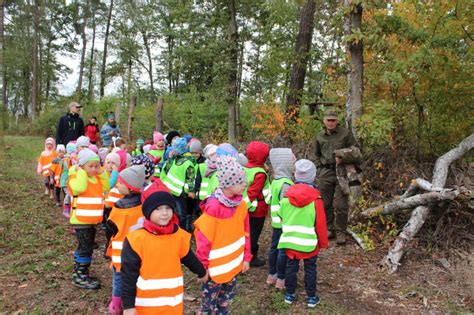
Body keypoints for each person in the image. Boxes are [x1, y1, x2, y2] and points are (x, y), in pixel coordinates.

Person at [121, 191, 208, 315]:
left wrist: (201, 272)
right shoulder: (136, 239)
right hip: (146, 304)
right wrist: (128, 306)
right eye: (158, 209)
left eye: (168, 208)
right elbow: (128, 275)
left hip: (172, 302)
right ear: (148, 213)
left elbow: (188, 257)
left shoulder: (178, 236)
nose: (165, 213)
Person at [194, 155, 252, 314]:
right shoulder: (213, 208)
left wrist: (246, 257)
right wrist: (202, 268)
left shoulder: (241, 205)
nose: (245, 184)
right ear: (228, 184)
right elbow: (203, 240)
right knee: (208, 306)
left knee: (224, 304)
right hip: (214, 272)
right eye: (241, 181)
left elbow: (246, 233)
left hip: (232, 267)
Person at [278, 159, 328, 308]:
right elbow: (320, 224)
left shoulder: (286, 197)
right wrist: (323, 242)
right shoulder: (316, 200)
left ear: (295, 176)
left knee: (291, 268)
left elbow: (281, 217)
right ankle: (311, 297)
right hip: (309, 243)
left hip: (289, 241)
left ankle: (289, 295)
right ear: (313, 177)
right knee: (310, 268)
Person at [104, 165, 146, 315]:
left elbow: (110, 228)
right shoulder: (144, 204)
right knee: (135, 276)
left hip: (121, 251)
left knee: (119, 278)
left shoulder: (119, 207)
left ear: (130, 187)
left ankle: (116, 305)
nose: (117, 185)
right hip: (139, 250)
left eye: (120, 183)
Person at [315, 109, 360, 244]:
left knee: (341, 204)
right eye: (328, 120)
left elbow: (356, 150)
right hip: (326, 172)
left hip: (342, 172)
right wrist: (320, 168)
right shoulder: (319, 136)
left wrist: (343, 157)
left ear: (337, 121)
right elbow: (316, 154)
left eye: (333, 120)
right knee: (325, 203)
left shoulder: (345, 133)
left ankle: (341, 231)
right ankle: (329, 229)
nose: (331, 123)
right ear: (324, 121)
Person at [67, 149, 110, 290]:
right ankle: (79, 275)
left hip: (91, 221)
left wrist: (102, 172)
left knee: (87, 247)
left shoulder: (96, 178)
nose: (93, 169)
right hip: (80, 221)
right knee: (85, 248)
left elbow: (107, 186)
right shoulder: (75, 178)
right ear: (82, 165)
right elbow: (80, 188)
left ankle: (83, 272)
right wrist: (79, 172)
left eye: (96, 166)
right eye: (90, 166)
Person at [267, 148, 295, 289]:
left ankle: (272, 275)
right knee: (282, 251)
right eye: (292, 160)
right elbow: (287, 206)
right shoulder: (286, 184)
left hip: (276, 222)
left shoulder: (276, 181)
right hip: (284, 223)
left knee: (274, 248)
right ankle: (281, 279)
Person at [242, 141, 271, 267]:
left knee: (246, 232)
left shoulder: (245, 168)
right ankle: (251, 257)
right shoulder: (260, 174)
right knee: (253, 234)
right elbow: (252, 193)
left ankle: (244, 254)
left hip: (246, 207)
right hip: (256, 209)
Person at [161, 137, 196, 230]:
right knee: (174, 212)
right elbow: (166, 169)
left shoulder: (187, 162)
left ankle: (182, 231)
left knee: (181, 214)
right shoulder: (174, 158)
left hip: (180, 193)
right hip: (172, 191)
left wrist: (191, 191)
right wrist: (170, 159)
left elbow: (191, 178)